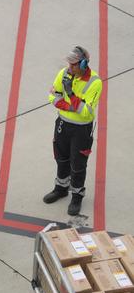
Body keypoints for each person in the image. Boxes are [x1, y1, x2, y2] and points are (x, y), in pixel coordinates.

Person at [43, 46, 102, 216]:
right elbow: (52, 97)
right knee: (61, 158)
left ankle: (77, 195)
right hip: (63, 124)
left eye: (73, 64)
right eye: (69, 63)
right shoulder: (64, 73)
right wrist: (71, 105)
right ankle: (61, 188)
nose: (70, 67)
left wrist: (69, 93)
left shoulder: (94, 82)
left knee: (78, 164)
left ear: (83, 64)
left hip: (82, 129)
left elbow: (86, 112)